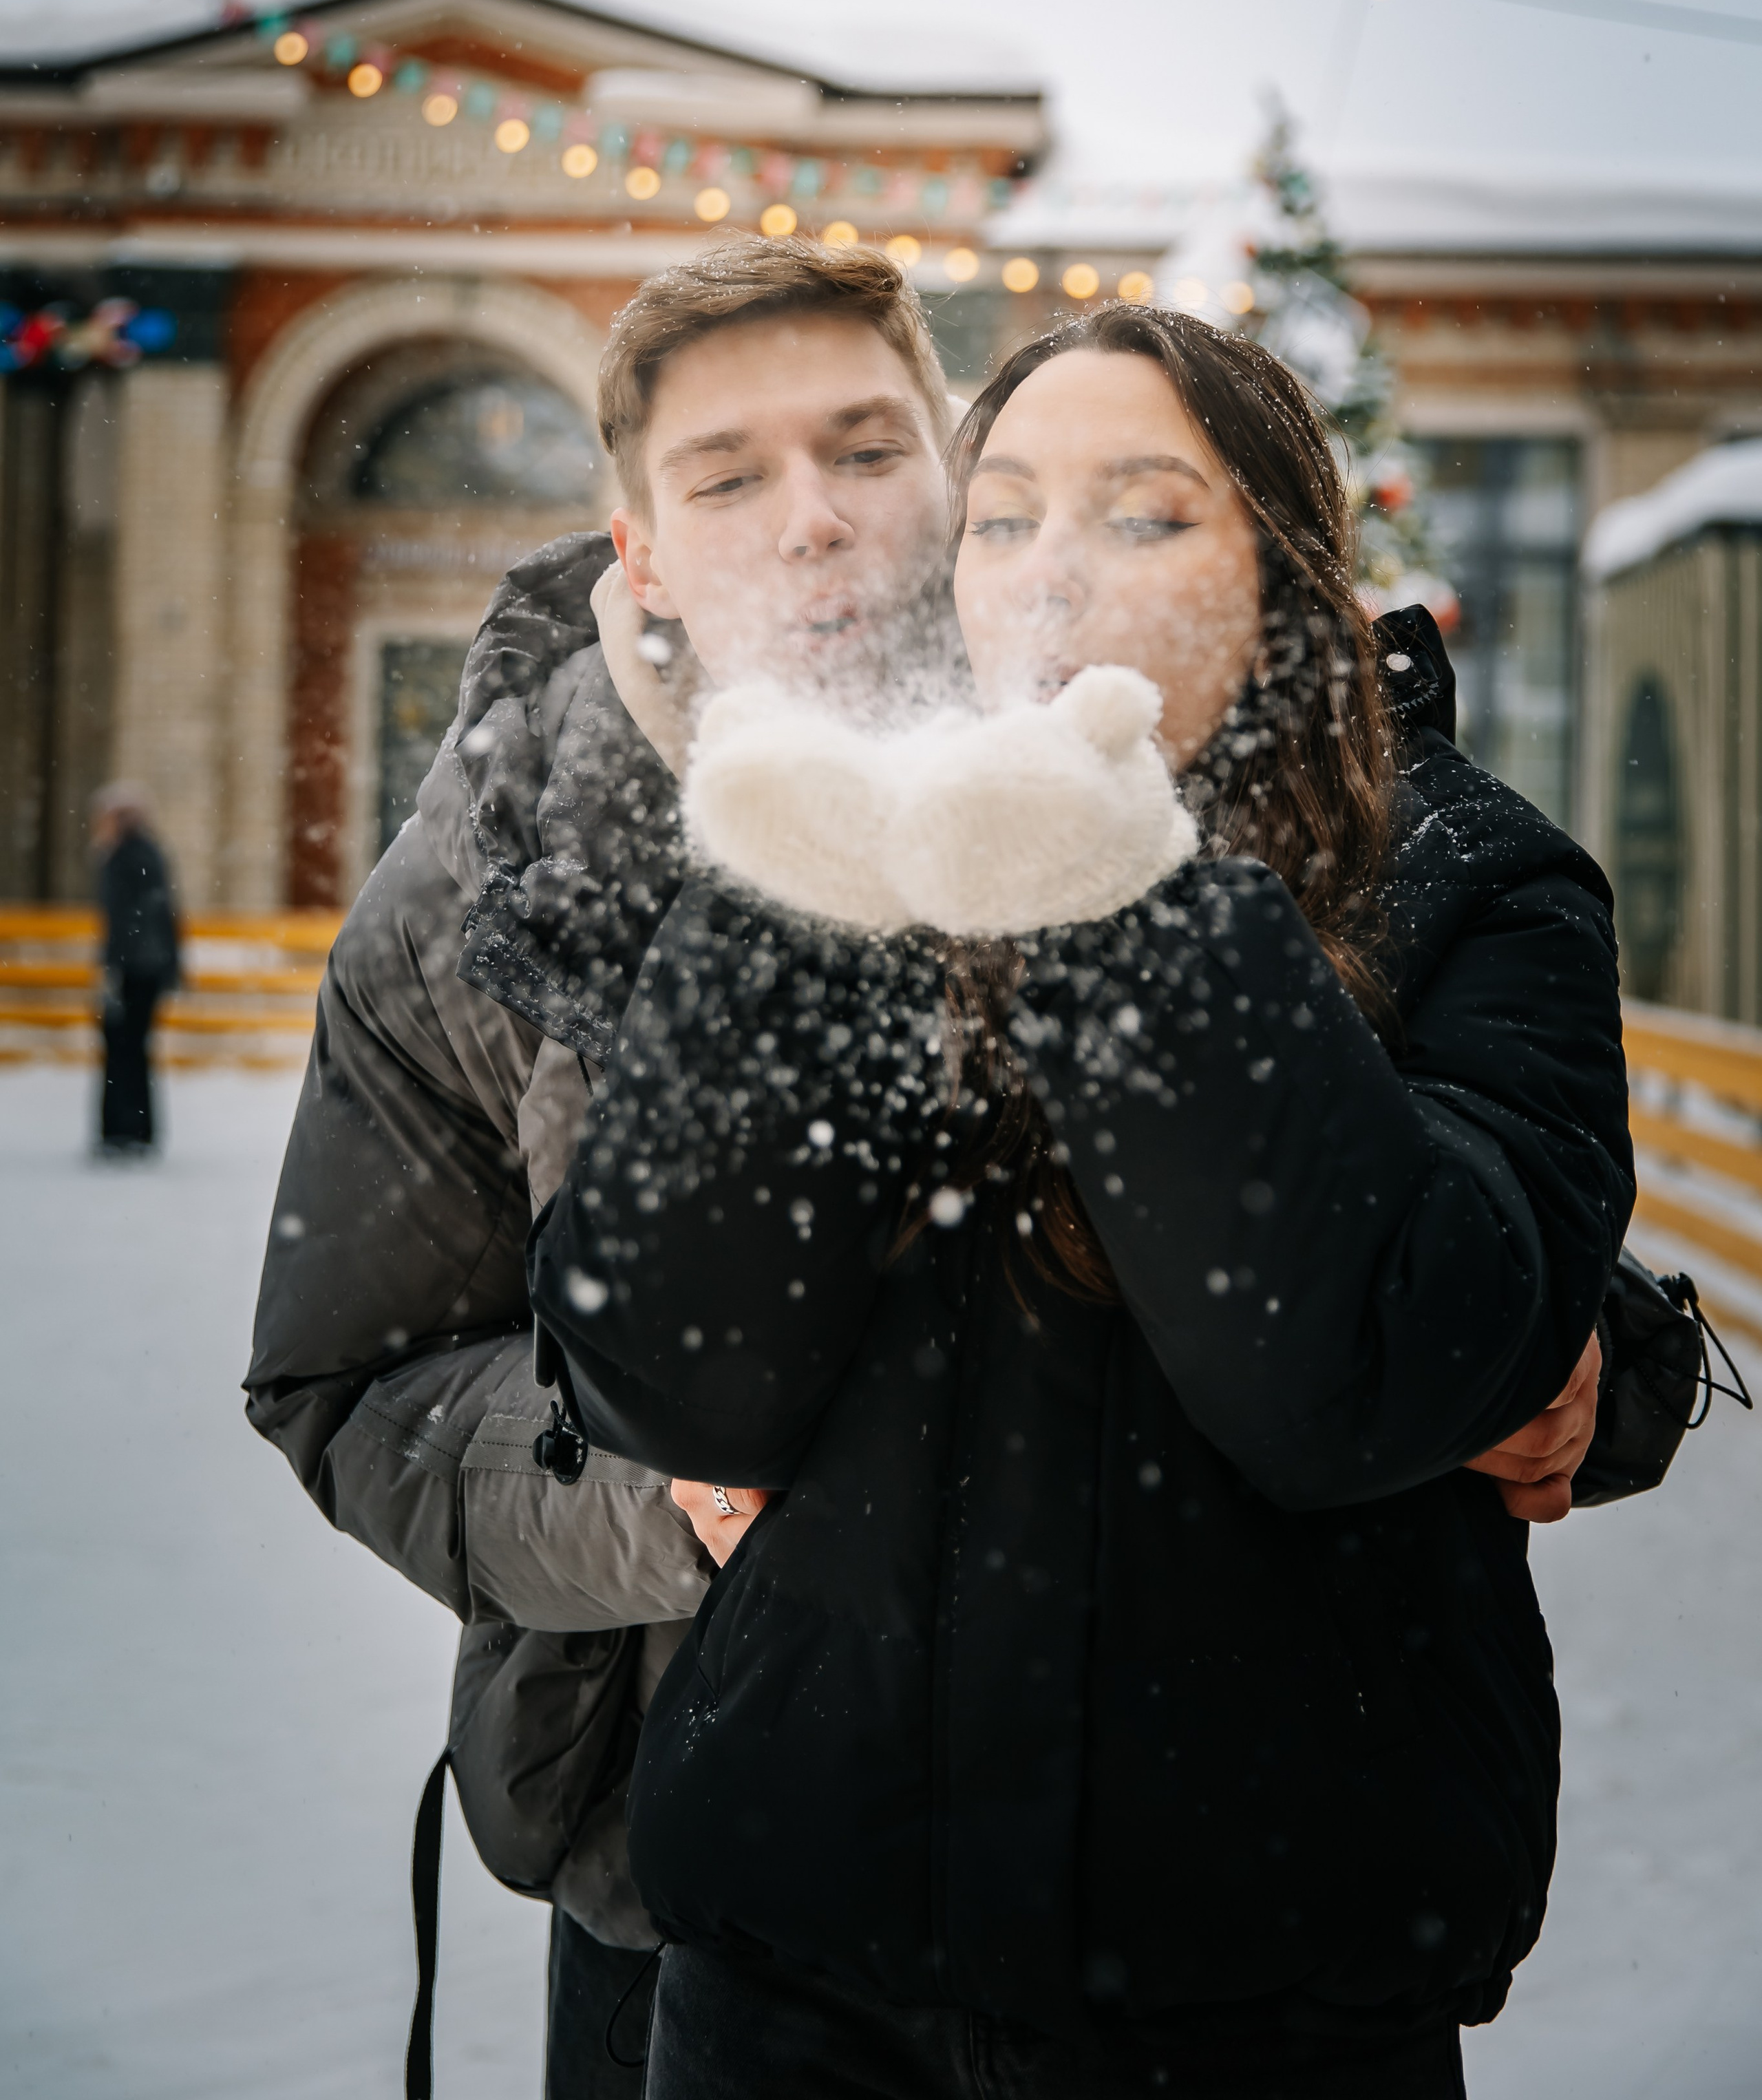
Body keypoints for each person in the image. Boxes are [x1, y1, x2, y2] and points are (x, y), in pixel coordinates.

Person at [530, 305, 1633, 2099]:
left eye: (1143, 515)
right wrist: (781, 912)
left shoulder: (1468, 881)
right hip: (804, 1986)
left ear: (1281, 579)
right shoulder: (858, 844)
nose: (1054, 577)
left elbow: (1361, 1370)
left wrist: (1137, 889)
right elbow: (673, 1372)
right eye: (1007, 516)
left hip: (1274, 2002)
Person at [244, 237, 960, 2095]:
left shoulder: (1130, 783)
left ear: (954, 468)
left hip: (1144, 1862)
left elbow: (1384, 1190)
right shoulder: (481, 896)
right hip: (690, 1862)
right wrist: (659, 1486)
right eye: (728, 475)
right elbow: (350, 1387)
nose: (811, 519)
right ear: (639, 544)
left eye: (867, 450)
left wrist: (1572, 1367)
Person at [91, 780, 180, 1158]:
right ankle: (134, 1130)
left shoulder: (130, 854)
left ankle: (124, 1131)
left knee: (124, 1049)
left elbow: (136, 918)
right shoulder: (141, 852)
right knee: (131, 1049)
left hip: (135, 970)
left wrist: (114, 969)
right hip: (143, 967)